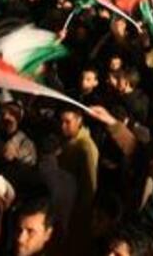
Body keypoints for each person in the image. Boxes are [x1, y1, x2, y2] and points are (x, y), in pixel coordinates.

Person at [58, 107, 99, 255]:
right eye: (61, 121)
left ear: (79, 120)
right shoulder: (69, 141)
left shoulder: (86, 148)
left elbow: (89, 187)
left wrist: (76, 217)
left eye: (67, 122)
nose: (63, 126)